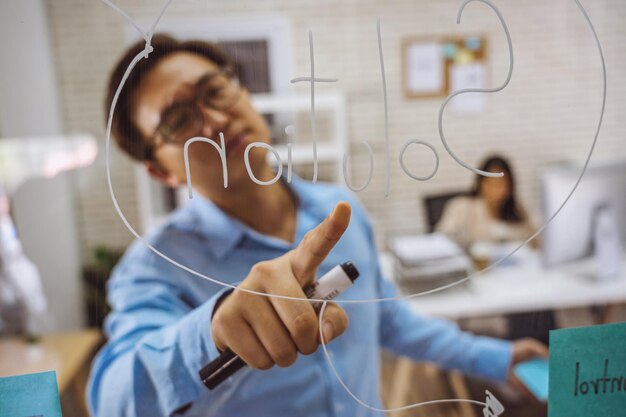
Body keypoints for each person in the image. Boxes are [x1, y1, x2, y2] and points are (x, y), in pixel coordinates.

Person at [87, 35, 548, 417]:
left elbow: (386, 318)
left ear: (244, 93)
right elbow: (111, 398)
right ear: (161, 171)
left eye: (216, 91)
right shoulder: (155, 266)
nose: (216, 120)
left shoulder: (338, 210)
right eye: (179, 120)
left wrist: (496, 358)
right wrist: (212, 334)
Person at [436, 155, 535, 251]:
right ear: (481, 183)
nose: (500, 190)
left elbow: (533, 239)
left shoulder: (516, 208)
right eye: (495, 184)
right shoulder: (462, 206)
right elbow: (443, 239)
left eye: (505, 185)